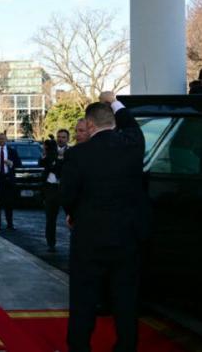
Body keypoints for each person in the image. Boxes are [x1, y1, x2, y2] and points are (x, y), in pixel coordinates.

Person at [60, 91, 148, 352]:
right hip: (127, 237)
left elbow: (67, 195)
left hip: (89, 237)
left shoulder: (77, 155)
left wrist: (74, 215)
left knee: (83, 298)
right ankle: (126, 346)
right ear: (113, 121)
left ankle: (80, 346)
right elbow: (130, 123)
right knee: (125, 298)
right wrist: (114, 101)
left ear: (89, 125)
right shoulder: (132, 143)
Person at [41, 129, 69, 252]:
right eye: (59, 136)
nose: (60, 139)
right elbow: (43, 163)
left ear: (68, 138)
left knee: (72, 217)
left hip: (65, 188)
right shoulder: (50, 151)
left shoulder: (72, 152)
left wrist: (56, 164)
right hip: (51, 188)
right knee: (50, 218)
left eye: (63, 137)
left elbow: (67, 168)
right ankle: (50, 243)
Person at [0, 132, 21, 230]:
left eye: (3, 139)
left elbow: (19, 164)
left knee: (9, 204)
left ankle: (10, 224)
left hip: (8, 180)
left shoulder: (11, 151)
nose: (1, 140)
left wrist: (11, 163)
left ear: (6, 140)